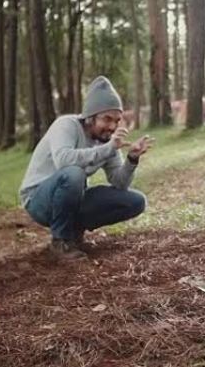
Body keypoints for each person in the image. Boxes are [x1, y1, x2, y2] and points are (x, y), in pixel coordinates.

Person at [19, 76, 154, 260]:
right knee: (74, 173)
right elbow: (63, 161)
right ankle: (60, 241)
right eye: (107, 119)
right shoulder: (66, 125)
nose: (112, 126)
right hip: (38, 200)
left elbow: (119, 182)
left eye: (117, 120)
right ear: (90, 117)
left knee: (136, 201)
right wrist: (108, 149)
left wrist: (131, 159)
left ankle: (73, 231)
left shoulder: (108, 140)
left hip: (72, 198)